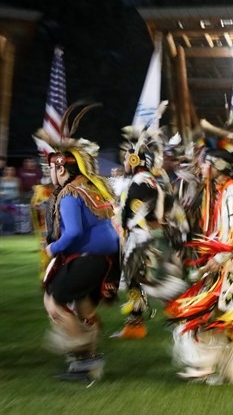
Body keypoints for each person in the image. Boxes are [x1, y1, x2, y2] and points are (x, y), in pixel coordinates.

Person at [165, 121, 233, 385]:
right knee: (222, 316)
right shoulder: (218, 191)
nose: (201, 166)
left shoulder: (232, 193)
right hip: (223, 264)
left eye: (206, 162)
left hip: (231, 266)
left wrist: (216, 260)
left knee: (210, 313)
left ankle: (207, 364)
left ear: (217, 168)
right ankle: (232, 366)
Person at [34, 104, 120, 382]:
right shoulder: (91, 185)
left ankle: (84, 357)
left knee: (54, 303)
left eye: (52, 166)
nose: (51, 173)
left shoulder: (71, 193)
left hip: (89, 258)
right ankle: (87, 363)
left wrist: (53, 248)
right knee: (84, 310)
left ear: (62, 167)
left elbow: (71, 233)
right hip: (107, 259)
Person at [112, 121, 189, 339]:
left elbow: (141, 217)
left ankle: (185, 317)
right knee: (137, 283)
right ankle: (135, 326)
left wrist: (136, 238)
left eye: (127, 157)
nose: (125, 160)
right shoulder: (145, 180)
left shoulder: (140, 183)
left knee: (157, 285)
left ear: (136, 159)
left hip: (145, 241)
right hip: (146, 239)